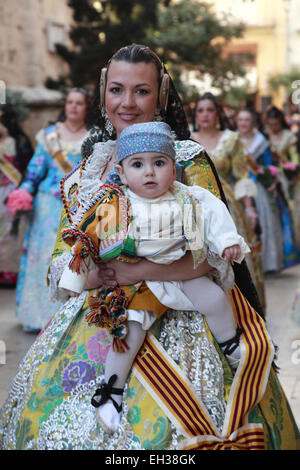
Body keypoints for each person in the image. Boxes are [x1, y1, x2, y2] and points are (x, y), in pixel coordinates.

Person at [0, 44, 299, 451]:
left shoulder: (185, 160)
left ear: (160, 94)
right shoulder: (86, 171)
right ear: (103, 92)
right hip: (102, 314)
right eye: (117, 89)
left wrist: (135, 272)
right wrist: (92, 273)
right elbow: (62, 257)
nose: (127, 103)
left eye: (141, 90)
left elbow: (206, 256)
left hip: (186, 311)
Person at [59, 121, 250, 433]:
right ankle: (112, 392)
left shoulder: (190, 197)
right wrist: (76, 276)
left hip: (182, 272)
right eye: (137, 164)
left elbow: (216, 216)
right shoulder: (115, 204)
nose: (149, 172)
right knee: (128, 331)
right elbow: (87, 241)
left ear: (172, 170)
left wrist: (227, 241)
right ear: (121, 173)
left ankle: (230, 345)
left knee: (215, 298)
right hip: (136, 285)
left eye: (159, 163)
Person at [6, 88, 89, 331]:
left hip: (75, 208)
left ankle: (64, 318)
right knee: (42, 260)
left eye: (79, 103)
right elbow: (34, 171)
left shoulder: (92, 138)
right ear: (65, 106)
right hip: (45, 208)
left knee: (71, 259)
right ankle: (38, 317)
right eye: (70, 102)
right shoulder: (48, 136)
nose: (73, 107)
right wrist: (24, 191)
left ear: (86, 107)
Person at [191, 92, 266, 312]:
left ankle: (244, 313)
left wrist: (250, 209)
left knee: (234, 259)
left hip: (227, 207)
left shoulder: (231, 139)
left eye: (210, 110)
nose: (205, 115)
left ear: (218, 113)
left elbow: (242, 177)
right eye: (200, 110)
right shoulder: (186, 140)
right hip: (195, 208)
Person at [236, 108, 284, 274]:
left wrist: (269, 177)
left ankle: (266, 263)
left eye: (246, 120)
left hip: (259, 189)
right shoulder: (232, 141)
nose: (243, 123)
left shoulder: (261, 141)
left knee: (264, 222)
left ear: (253, 123)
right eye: (240, 120)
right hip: (239, 188)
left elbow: (269, 164)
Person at [0, 100, 33, 286]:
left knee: (12, 234)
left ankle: (10, 272)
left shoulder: (17, 141)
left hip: (11, 192)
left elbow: (27, 165)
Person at [266, 106, 300, 265]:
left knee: (293, 212)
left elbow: (294, 158)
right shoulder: (265, 138)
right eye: (271, 124)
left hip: (287, 179)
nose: (274, 128)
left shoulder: (288, 137)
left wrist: (291, 170)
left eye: (276, 124)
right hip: (271, 179)